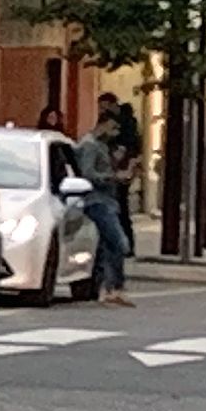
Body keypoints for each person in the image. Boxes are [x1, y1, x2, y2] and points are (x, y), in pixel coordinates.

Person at [76, 112, 134, 307]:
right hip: (97, 201)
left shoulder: (100, 145)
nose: (114, 133)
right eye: (112, 127)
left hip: (106, 200)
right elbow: (88, 173)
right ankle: (114, 287)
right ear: (103, 124)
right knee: (118, 242)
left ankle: (110, 288)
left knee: (107, 247)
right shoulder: (90, 145)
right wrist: (114, 176)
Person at [98, 93, 140, 255]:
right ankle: (122, 244)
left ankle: (125, 244)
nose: (101, 110)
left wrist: (127, 162)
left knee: (120, 206)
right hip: (113, 167)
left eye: (103, 106)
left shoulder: (127, 122)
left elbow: (133, 145)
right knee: (118, 206)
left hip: (121, 167)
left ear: (112, 104)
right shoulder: (109, 119)